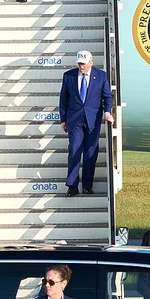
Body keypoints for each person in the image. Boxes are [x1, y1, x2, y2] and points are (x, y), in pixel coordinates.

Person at [58, 49, 113, 196]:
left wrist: (107, 112)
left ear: (91, 62)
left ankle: (87, 185)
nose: (81, 66)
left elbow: (107, 96)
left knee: (90, 152)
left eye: (83, 63)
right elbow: (63, 99)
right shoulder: (68, 76)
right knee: (74, 149)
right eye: (79, 63)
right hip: (74, 120)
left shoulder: (101, 76)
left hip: (92, 119)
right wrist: (63, 119)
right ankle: (72, 185)